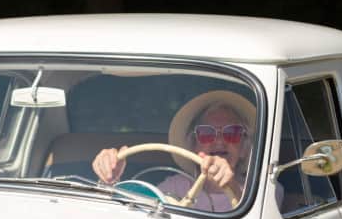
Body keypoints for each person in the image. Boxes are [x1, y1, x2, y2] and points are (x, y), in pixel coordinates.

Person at [91, 90, 255, 211]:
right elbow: (134, 215)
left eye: (231, 133)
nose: (219, 141)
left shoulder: (260, 189)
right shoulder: (176, 185)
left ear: (244, 148)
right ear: (194, 146)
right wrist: (109, 179)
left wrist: (232, 187)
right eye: (207, 133)